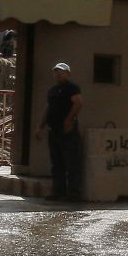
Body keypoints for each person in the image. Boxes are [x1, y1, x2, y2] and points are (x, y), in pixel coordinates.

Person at [38, 62, 83, 200]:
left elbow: (78, 103)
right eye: (56, 71)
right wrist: (40, 126)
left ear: (68, 73)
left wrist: (69, 120)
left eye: (62, 71)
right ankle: (58, 192)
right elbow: (48, 108)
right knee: (57, 163)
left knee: (71, 162)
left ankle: (74, 193)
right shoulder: (52, 90)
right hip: (54, 130)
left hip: (67, 130)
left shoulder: (72, 88)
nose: (58, 74)